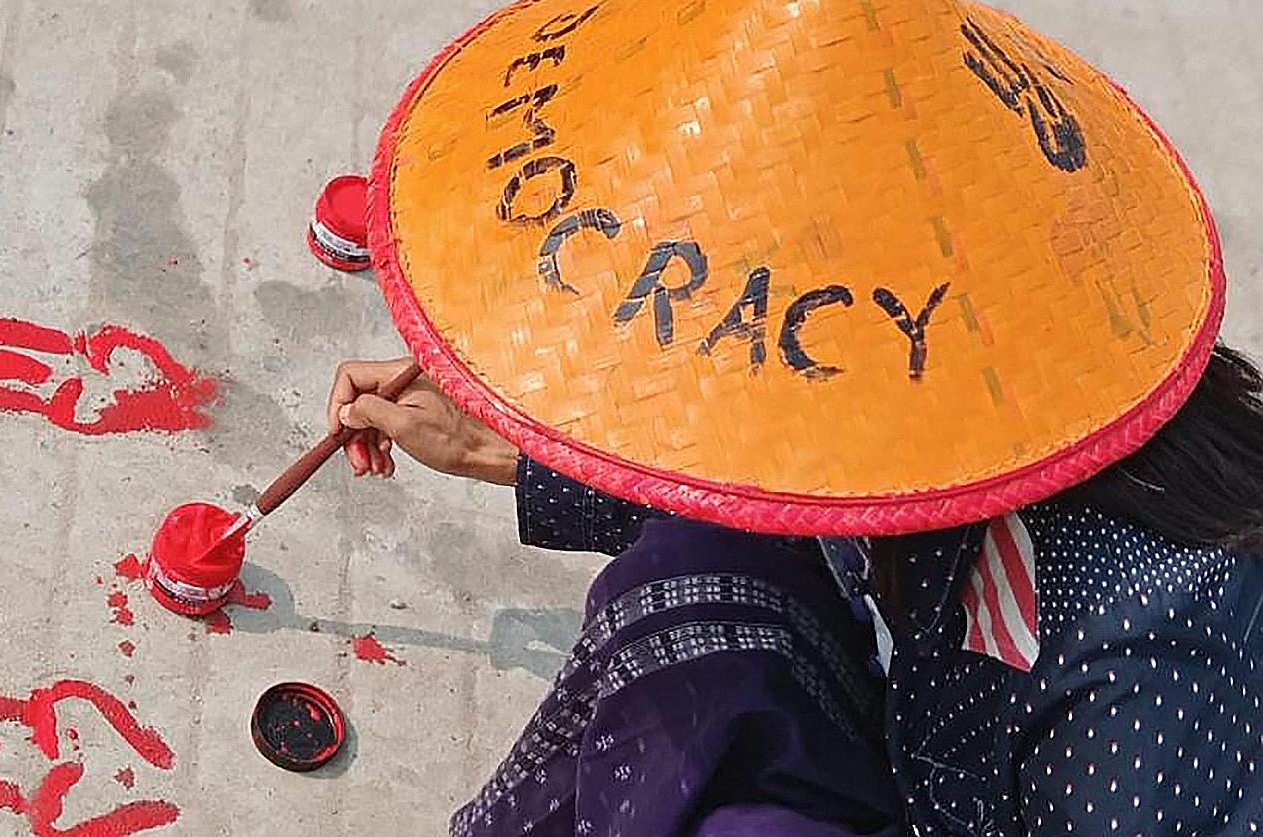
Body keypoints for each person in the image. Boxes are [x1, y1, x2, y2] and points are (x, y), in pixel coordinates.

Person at [328, 350, 1263, 835]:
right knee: (692, 573)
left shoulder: (1143, 680)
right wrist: (504, 450)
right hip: (940, 755)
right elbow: (765, 488)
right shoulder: (952, 417)